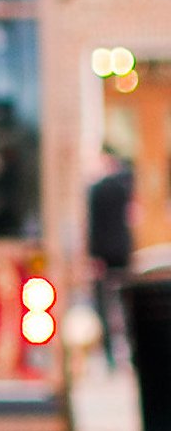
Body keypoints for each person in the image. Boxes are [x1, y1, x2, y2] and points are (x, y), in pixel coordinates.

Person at [86, 156, 133, 368]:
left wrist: (93, 254)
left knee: (104, 303)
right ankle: (130, 347)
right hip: (122, 251)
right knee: (124, 300)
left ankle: (110, 355)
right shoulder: (123, 189)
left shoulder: (96, 191)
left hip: (103, 252)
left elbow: (94, 226)